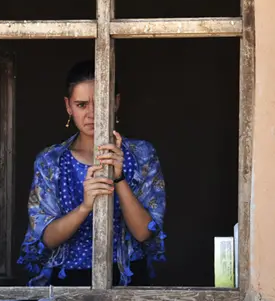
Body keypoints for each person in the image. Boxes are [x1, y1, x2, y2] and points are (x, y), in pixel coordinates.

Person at [17, 60, 166, 287]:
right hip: (69, 280)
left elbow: (145, 233)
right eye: (81, 104)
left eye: (101, 103)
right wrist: (85, 207)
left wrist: (119, 178)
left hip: (127, 279)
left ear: (116, 102)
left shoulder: (142, 154)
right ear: (68, 106)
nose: (91, 114)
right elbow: (46, 237)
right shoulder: (51, 161)